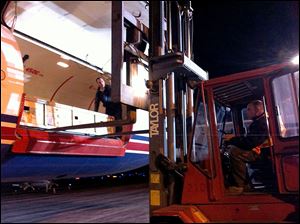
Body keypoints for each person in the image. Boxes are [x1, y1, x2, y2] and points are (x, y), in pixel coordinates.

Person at [224, 100, 268, 193]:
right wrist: (235, 139)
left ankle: (239, 185)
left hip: (261, 153)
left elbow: (249, 143)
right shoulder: (259, 122)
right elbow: (249, 140)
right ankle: (246, 184)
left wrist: (232, 139)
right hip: (260, 151)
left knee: (234, 152)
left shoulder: (261, 123)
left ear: (258, 110)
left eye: (249, 109)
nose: (247, 112)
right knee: (233, 149)